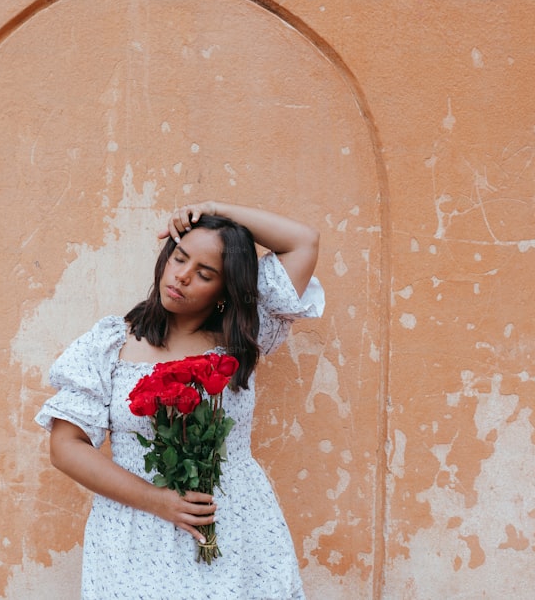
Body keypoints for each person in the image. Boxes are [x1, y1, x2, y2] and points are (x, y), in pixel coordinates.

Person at [35, 201, 324, 599]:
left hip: (233, 523)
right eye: (179, 258)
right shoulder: (109, 345)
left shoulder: (242, 339)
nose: (182, 276)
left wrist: (213, 209)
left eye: (204, 273)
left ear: (225, 290)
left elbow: (303, 241)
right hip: (134, 530)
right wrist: (158, 501)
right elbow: (65, 447)